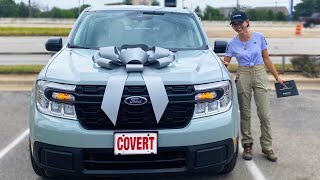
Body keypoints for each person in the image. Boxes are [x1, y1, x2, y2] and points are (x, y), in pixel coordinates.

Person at [223, 11, 285, 162]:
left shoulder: (259, 37)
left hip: (259, 72)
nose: (238, 27)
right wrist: (224, 64)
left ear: (247, 22)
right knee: (245, 113)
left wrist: (277, 77)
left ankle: (267, 146)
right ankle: (247, 144)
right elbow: (226, 61)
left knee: (264, 113)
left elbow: (267, 59)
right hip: (243, 73)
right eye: (234, 24)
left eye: (240, 23)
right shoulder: (232, 43)